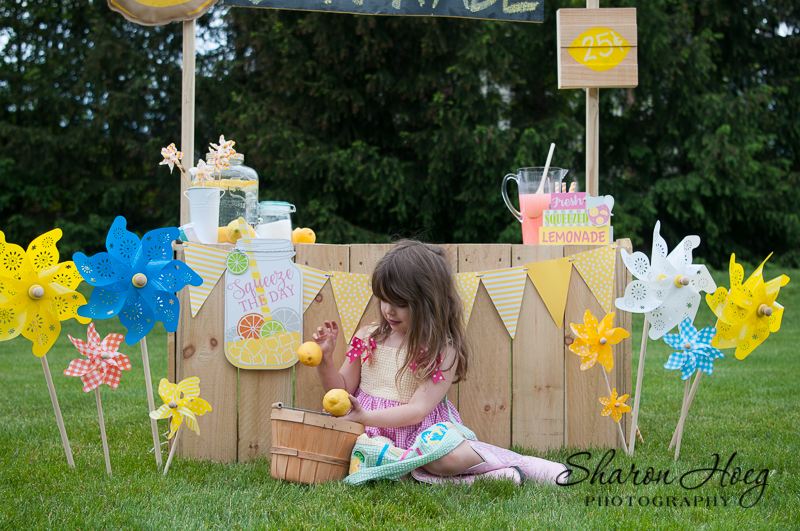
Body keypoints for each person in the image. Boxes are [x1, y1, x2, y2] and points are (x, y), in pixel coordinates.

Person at [312, 239, 568, 485]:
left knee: (442, 458)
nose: (389, 310)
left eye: (400, 303)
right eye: (384, 299)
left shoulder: (441, 350)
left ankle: (521, 464)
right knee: (369, 453)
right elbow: (342, 390)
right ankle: (481, 481)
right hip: (372, 436)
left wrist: (365, 416)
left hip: (420, 435)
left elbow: (417, 411)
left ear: (427, 303)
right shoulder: (366, 337)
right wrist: (325, 361)